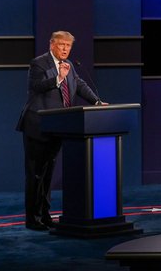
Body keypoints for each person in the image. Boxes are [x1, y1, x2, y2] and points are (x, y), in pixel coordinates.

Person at [16, 31, 103, 231]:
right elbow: (37, 86)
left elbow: (79, 86)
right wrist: (58, 77)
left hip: (57, 127)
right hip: (37, 126)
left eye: (68, 46)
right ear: (52, 45)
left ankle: (45, 215)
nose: (65, 49)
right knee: (35, 174)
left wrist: (96, 102)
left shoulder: (70, 66)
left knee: (47, 175)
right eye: (61, 45)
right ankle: (32, 219)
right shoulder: (38, 63)